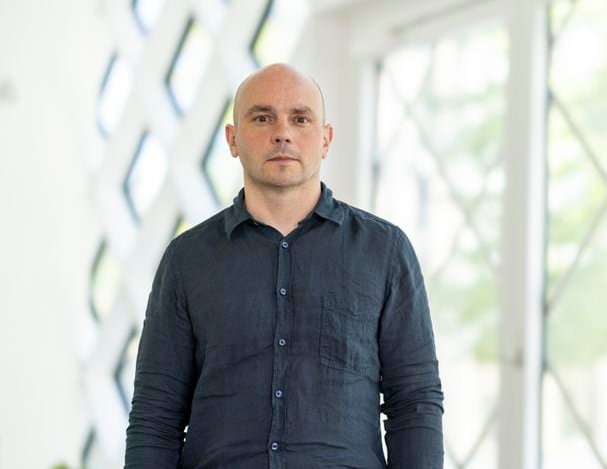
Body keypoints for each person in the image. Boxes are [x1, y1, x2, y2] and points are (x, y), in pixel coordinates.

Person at [124, 63, 444, 468]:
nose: (282, 132)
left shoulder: (384, 251)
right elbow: (156, 415)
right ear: (233, 139)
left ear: (325, 139)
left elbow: (415, 402)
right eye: (262, 118)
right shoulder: (187, 260)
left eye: (300, 118)